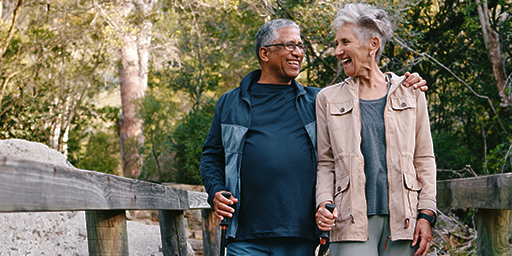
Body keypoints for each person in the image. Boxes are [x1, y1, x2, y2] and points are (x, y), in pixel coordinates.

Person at [200, 18, 426, 256]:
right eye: (290, 46)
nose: (298, 53)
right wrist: (215, 190)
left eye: (301, 46)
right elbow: (211, 156)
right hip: (244, 235)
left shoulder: (317, 101)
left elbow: (368, 101)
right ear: (265, 53)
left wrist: (404, 84)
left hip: (301, 235)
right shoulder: (230, 103)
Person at [315, 4, 437, 256]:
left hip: (404, 220)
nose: (338, 51)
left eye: (345, 42)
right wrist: (323, 202)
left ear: (373, 44)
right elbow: (325, 162)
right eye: (336, 43)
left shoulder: (411, 92)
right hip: (349, 220)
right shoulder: (328, 98)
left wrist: (426, 214)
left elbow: (424, 158)